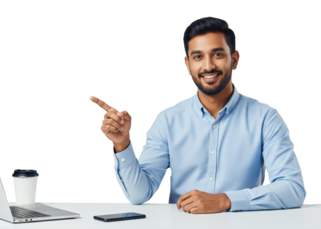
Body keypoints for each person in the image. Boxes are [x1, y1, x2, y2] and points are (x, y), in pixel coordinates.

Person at [89, 16, 306, 214]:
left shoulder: (265, 117)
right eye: (198, 56)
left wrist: (226, 200)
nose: (208, 66)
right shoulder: (167, 120)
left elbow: (293, 188)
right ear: (187, 64)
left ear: (235, 59)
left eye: (218, 54)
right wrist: (122, 144)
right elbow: (139, 195)